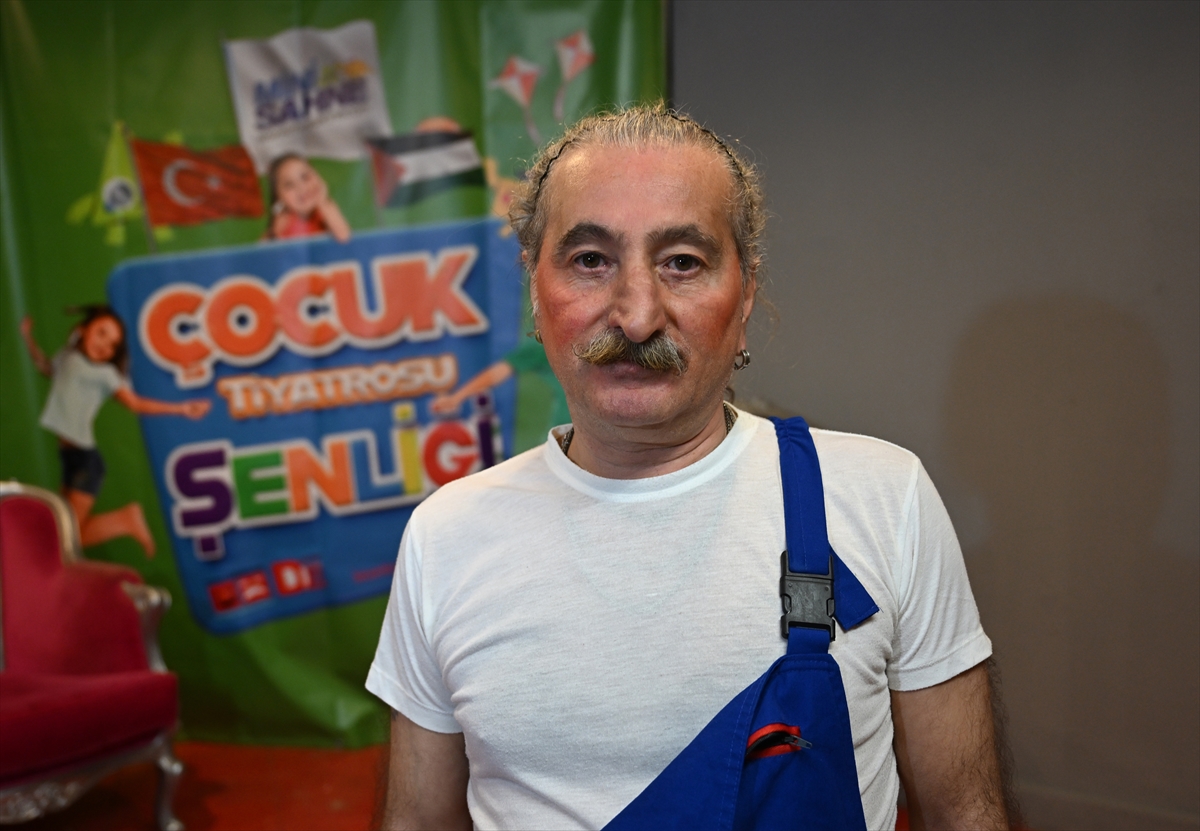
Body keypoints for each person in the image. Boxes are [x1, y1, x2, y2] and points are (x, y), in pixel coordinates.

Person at [367, 104, 1009, 830]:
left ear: (747, 292)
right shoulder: (447, 536)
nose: (638, 316)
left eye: (682, 262)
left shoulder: (882, 498)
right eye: (590, 260)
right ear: (534, 287)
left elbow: (967, 812)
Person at [21, 306, 210, 556]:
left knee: (63, 536)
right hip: (69, 456)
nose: (104, 346)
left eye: (112, 345)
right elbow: (47, 368)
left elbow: (135, 403)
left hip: (85, 462)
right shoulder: (68, 356)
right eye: (101, 333)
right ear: (82, 330)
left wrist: (182, 408)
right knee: (60, 531)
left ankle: (126, 520)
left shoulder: (105, 374)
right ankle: (126, 519)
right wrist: (28, 339)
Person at [263, 154, 351, 243]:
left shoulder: (326, 208)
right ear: (279, 197)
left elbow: (343, 236)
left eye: (305, 177)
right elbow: (264, 249)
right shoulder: (282, 220)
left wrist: (322, 200)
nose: (301, 188)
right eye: (289, 185)